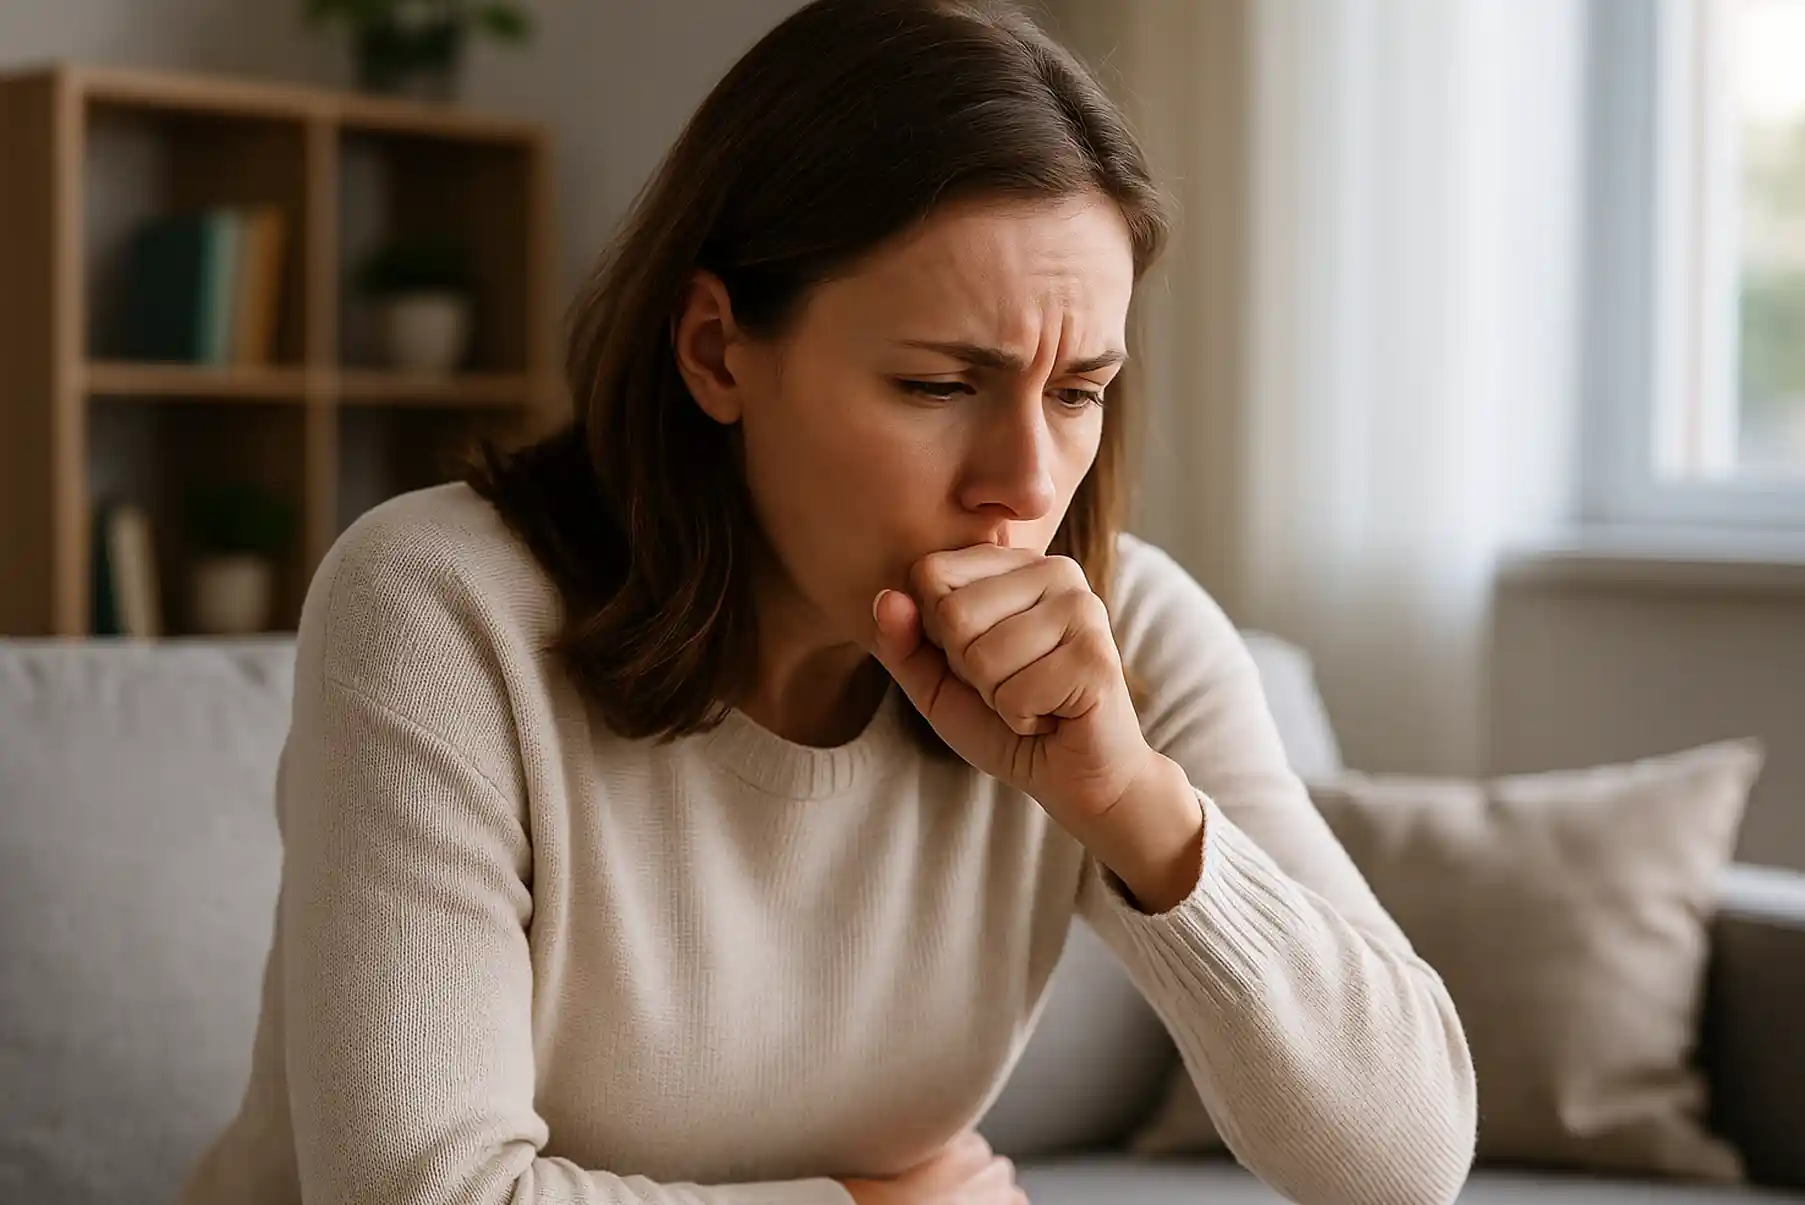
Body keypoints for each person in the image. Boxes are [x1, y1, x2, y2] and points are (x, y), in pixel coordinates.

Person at [180, 1, 1476, 1202]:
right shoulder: (440, 609)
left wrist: (1128, 803)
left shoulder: (1127, 638)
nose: (1024, 482)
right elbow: (423, 1195)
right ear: (714, 350)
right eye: (935, 385)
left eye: (1077, 391)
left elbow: (1406, 1162)